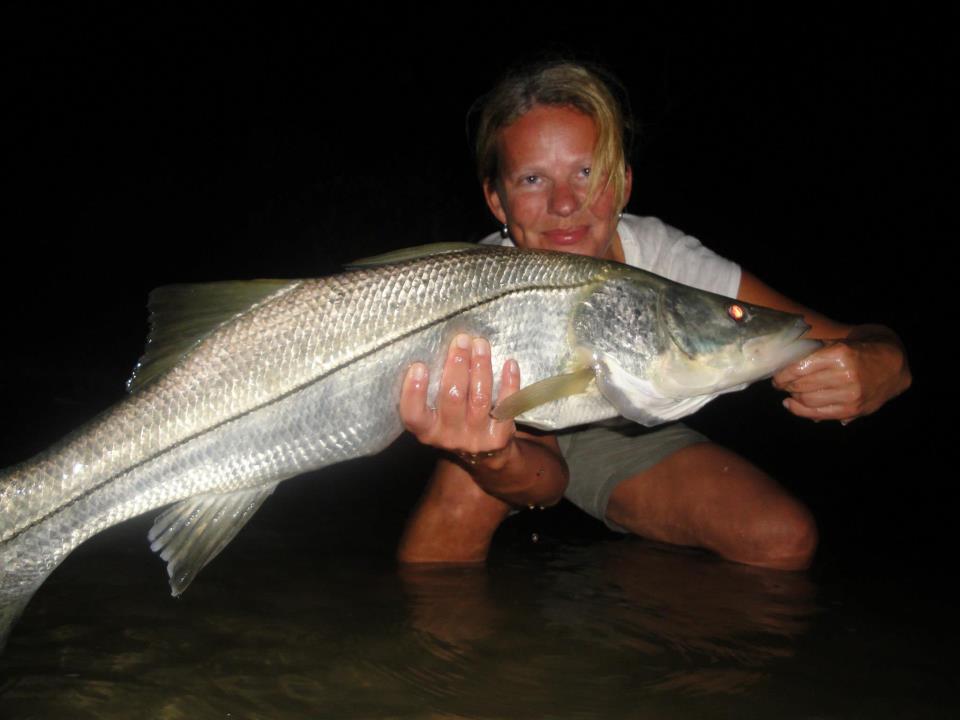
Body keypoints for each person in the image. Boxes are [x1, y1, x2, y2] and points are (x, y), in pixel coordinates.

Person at [395, 61, 911, 571]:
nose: (564, 203)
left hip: (626, 429)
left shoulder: (667, 262)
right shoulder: (471, 290)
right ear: (497, 201)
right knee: (452, 523)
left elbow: (846, 337)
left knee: (782, 538)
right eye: (532, 179)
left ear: (622, 183)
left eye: (587, 172)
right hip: (511, 429)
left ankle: (614, 629)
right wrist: (496, 458)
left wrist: (883, 361)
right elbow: (544, 481)